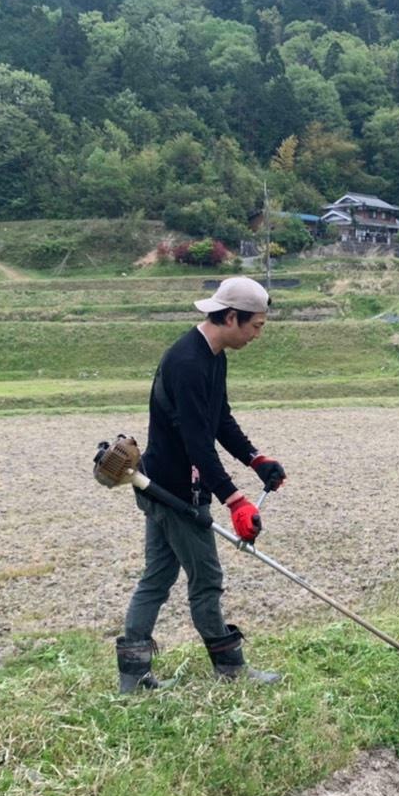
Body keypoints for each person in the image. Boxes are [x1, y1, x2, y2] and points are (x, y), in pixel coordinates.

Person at [115, 276, 288, 693]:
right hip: (174, 492)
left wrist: (256, 459)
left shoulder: (213, 355)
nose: (258, 335)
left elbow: (219, 419)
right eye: (257, 326)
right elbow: (197, 446)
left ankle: (133, 678)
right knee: (206, 578)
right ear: (231, 317)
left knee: (156, 577)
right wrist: (235, 500)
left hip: (163, 483)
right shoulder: (187, 363)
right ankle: (230, 669)